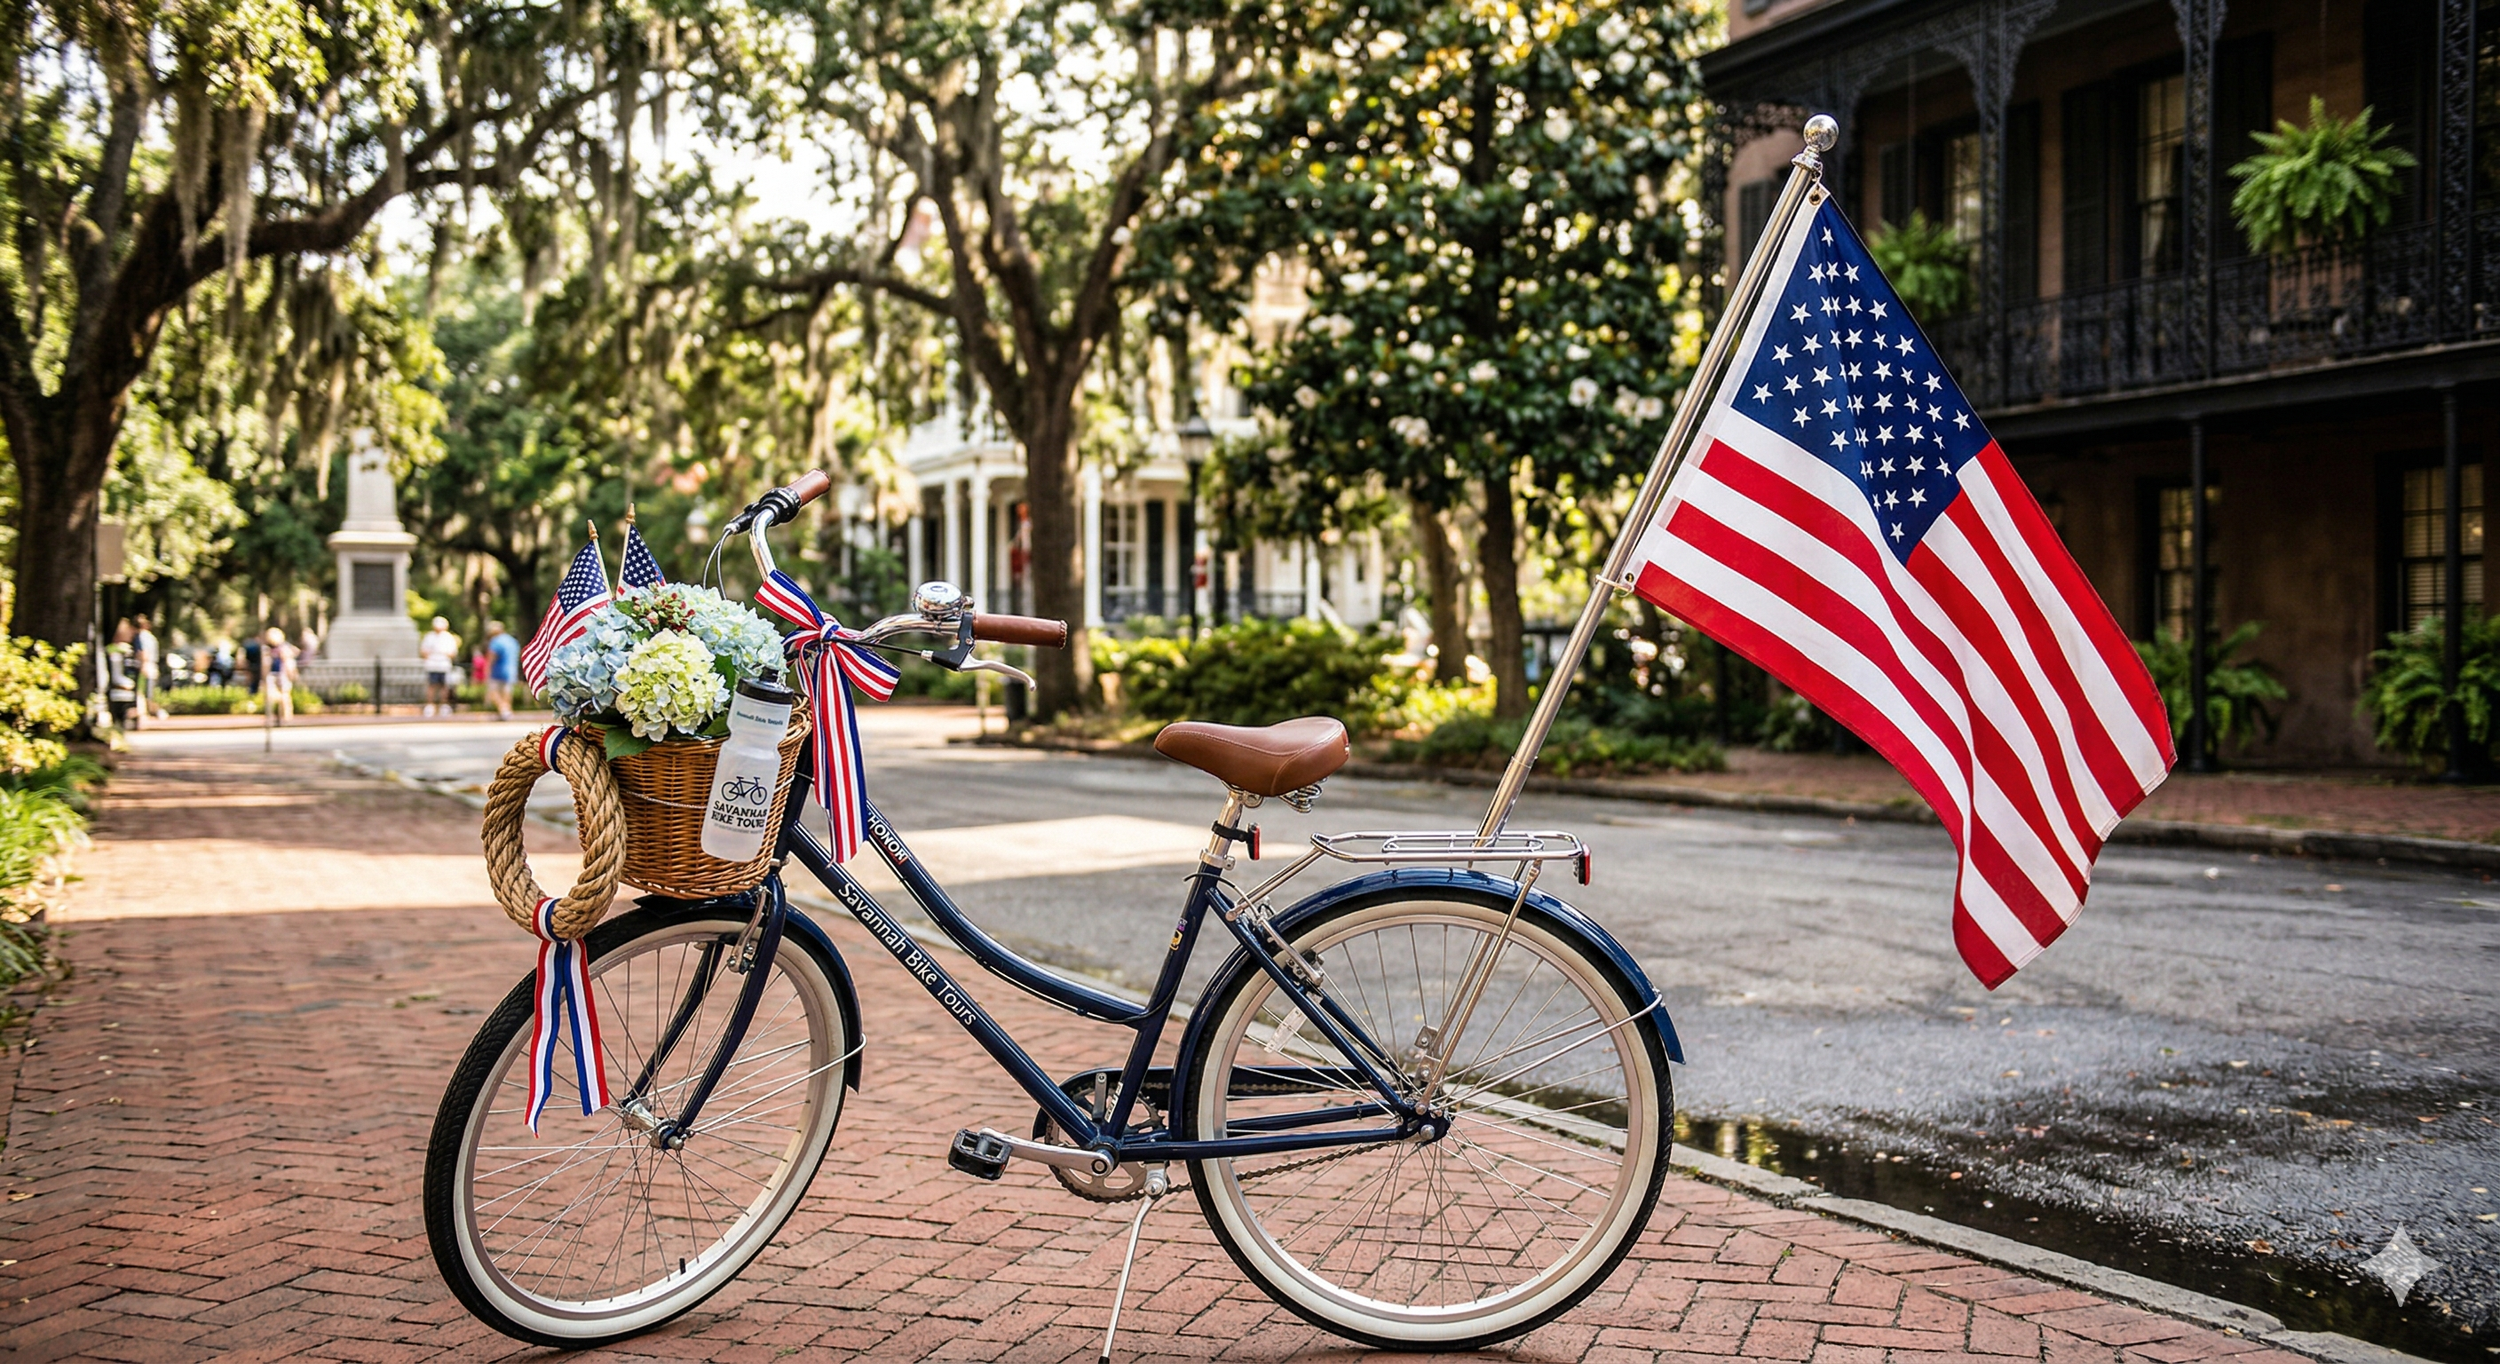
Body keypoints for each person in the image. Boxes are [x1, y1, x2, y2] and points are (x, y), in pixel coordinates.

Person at [419, 616, 460, 717]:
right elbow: (423, 651)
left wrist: (443, 653)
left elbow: (453, 653)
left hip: (444, 665)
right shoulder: (429, 637)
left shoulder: (448, 637)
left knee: (444, 687)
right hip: (432, 665)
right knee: (432, 686)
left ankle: (444, 706)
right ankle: (430, 706)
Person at [482, 620, 519, 721]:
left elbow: (491, 657)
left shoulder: (495, 641)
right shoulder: (512, 641)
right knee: (507, 692)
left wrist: (487, 670)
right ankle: (507, 711)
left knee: (494, 692)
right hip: (511, 670)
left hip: (497, 671)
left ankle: (504, 710)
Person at [261, 627, 296, 725]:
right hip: (271, 674)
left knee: (285, 696)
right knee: (270, 697)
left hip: (282, 674)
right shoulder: (267, 649)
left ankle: (285, 718)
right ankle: (271, 717)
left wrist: (291, 673)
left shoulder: (284, 648)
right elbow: (265, 664)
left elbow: (289, 661)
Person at [131, 614, 159, 728]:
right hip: (152, 664)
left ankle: (144, 716)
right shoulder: (151, 637)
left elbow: (143, 652)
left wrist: (143, 665)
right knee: (149, 692)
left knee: (142, 692)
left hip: (145, 665)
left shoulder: (140, 637)